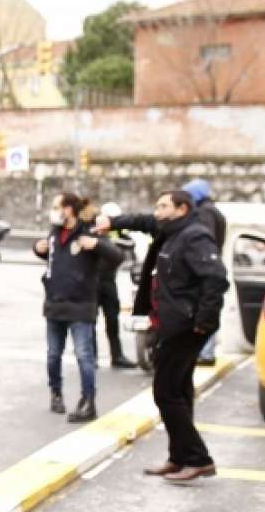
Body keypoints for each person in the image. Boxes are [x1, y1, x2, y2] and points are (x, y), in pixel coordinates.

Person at [95, 190, 229, 482]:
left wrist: (202, 322)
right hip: (171, 323)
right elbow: (142, 221)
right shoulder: (171, 230)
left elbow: (216, 278)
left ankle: (198, 458)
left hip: (185, 326)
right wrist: (113, 221)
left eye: (163, 206)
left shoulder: (195, 236)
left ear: (182, 209)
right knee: (179, 391)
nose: (157, 211)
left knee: (165, 392)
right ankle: (179, 457)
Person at [34, 193, 123, 422]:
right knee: (53, 355)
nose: (53, 211)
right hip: (54, 304)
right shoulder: (54, 233)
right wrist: (39, 249)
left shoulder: (89, 232)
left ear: (69, 210)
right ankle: (56, 393)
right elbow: (56, 261)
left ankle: (88, 401)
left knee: (84, 356)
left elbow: (117, 257)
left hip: (81, 306)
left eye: (57, 207)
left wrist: (96, 245)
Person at [182, 179, 227, 366]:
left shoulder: (205, 213)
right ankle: (206, 350)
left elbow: (202, 240)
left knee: (205, 307)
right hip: (211, 265)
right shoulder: (214, 211)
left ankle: (206, 351)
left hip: (204, 268)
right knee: (209, 305)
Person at [92, 202, 136, 369]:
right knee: (90, 321)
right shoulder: (93, 230)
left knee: (112, 319)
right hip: (93, 281)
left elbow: (130, 244)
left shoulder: (118, 231)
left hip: (109, 280)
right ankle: (91, 357)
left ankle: (117, 356)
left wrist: (113, 241)